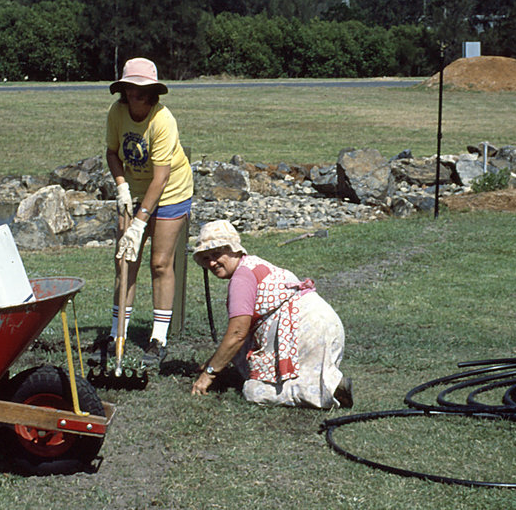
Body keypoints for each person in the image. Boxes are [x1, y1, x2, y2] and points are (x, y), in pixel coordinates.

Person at [190, 220, 352, 408]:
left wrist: (208, 374)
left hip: (308, 330)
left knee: (254, 391)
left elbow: (237, 334)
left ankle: (326, 391)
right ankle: (331, 383)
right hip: (326, 323)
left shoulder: (241, 279)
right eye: (206, 258)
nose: (212, 262)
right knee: (308, 371)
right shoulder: (253, 264)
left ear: (234, 249)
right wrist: (213, 361)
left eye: (217, 254)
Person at [102, 57, 193, 366]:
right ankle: (118, 334)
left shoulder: (162, 120)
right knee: (124, 259)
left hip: (170, 191)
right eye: (130, 90)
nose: (134, 96)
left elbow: (162, 176)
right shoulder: (117, 112)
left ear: (153, 93)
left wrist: (140, 223)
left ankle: (158, 338)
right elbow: (112, 152)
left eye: (141, 91)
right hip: (135, 188)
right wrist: (121, 187)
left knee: (160, 263)